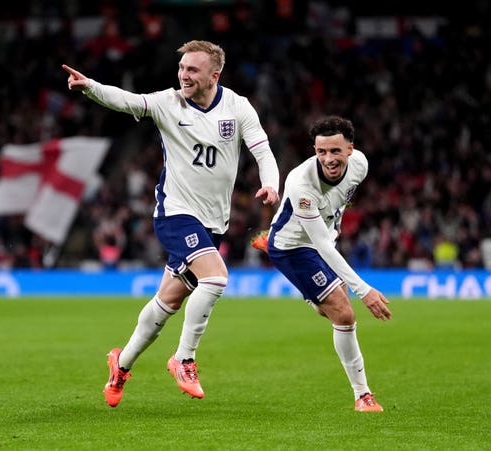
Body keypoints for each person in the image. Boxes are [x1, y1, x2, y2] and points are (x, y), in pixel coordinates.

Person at [63, 40, 280, 407]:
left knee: (168, 302)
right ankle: (184, 358)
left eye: (192, 70)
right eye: (181, 69)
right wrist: (91, 88)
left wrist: (271, 182)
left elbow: (262, 151)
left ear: (215, 74)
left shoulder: (238, 107)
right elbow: (128, 100)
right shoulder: (169, 103)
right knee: (216, 278)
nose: (184, 75)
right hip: (175, 212)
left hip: (213, 220)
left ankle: (121, 364)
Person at [254, 116, 391, 412]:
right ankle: (363, 396)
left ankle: (314, 296)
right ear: (314, 150)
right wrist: (364, 290)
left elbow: (342, 199)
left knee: (326, 306)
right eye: (321, 152)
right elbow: (323, 248)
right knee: (343, 313)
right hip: (294, 248)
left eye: (335, 151)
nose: (328, 159)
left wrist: (334, 222)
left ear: (350, 150)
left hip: (322, 236)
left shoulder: (360, 165)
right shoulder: (302, 184)